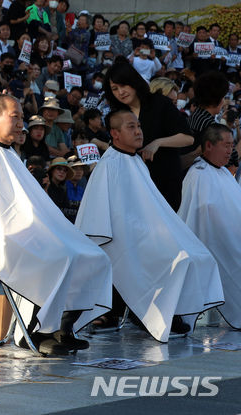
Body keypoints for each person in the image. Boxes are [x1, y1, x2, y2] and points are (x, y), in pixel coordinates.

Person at [0, 95, 112, 355]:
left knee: (93, 255)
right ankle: (32, 331)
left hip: (28, 232)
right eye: (15, 117)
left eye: (22, 117)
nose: (21, 123)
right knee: (59, 257)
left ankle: (62, 327)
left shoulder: (9, 155)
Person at [76, 109, 224, 341]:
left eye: (139, 126)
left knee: (197, 253)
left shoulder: (135, 161)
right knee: (174, 255)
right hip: (121, 237)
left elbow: (148, 207)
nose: (138, 131)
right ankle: (156, 312)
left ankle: (168, 308)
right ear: (114, 134)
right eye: (130, 127)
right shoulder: (110, 164)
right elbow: (103, 215)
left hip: (143, 231)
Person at [103, 60, 193, 210]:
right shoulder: (117, 115)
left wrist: (157, 143)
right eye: (114, 88)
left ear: (134, 81)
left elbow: (188, 138)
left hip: (165, 180)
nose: (121, 92)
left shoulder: (159, 103)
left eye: (123, 85)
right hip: (132, 185)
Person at [178, 123, 241, 329]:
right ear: (208, 146)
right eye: (226, 145)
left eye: (232, 146)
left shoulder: (223, 173)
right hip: (213, 241)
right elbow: (198, 216)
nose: (230, 151)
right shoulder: (198, 173)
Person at [181, 71, 229, 169]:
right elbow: (229, 160)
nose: (224, 101)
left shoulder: (194, 115)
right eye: (223, 97)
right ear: (218, 99)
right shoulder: (211, 127)